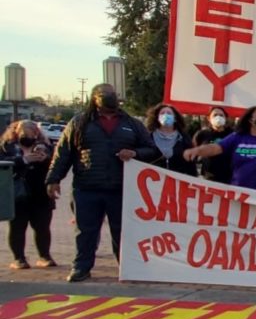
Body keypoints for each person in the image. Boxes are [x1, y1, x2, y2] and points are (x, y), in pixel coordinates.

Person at [46, 83, 157, 282]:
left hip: (121, 187)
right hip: (86, 187)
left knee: (121, 231)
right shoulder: (80, 122)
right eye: (105, 94)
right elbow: (63, 153)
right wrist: (53, 179)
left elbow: (151, 150)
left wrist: (135, 153)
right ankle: (81, 267)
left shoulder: (131, 123)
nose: (110, 97)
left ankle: (127, 267)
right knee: (85, 231)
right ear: (94, 98)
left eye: (113, 93)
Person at [183, 105, 256, 194]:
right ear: (250, 120)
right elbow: (215, 148)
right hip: (238, 193)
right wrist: (197, 151)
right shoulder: (237, 137)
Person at [3, 121, 56, 270]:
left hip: (41, 193)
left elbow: (56, 163)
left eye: (32, 131)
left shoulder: (45, 146)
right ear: (15, 131)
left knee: (42, 227)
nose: (28, 135)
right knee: (17, 227)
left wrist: (45, 157)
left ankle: (44, 256)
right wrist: (24, 160)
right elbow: (4, 164)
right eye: (24, 132)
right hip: (16, 194)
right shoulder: (6, 147)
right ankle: (19, 258)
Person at [145, 103, 191, 175]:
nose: (165, 115)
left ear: (175, 118)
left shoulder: (184, 138)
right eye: (162, 113)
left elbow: (190, 163)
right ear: (157, 118)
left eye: (169, 113)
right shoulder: (148, 137)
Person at [192, 106, 234, 183]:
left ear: (225, 118)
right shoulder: (202, 134)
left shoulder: (233, 135)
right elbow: (193, 154)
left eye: (221, 115)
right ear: (209, 118)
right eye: (215, 115)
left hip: (229, 178)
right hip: (208, 178)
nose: (218, 117)